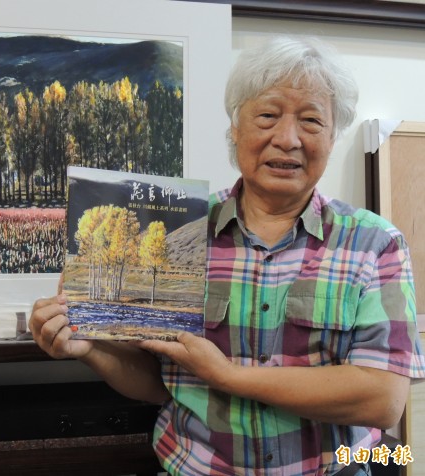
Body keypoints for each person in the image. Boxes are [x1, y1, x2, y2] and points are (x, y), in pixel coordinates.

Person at [29, 35, 425, 476]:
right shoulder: (181, 232)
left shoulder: (374, 243)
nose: (288, 138)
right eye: (267, 116)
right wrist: (91, 349)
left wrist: (227, 376)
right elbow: (161, 384)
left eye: (311, 121)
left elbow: (382, 400)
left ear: (333, 137)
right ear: (235, 129)